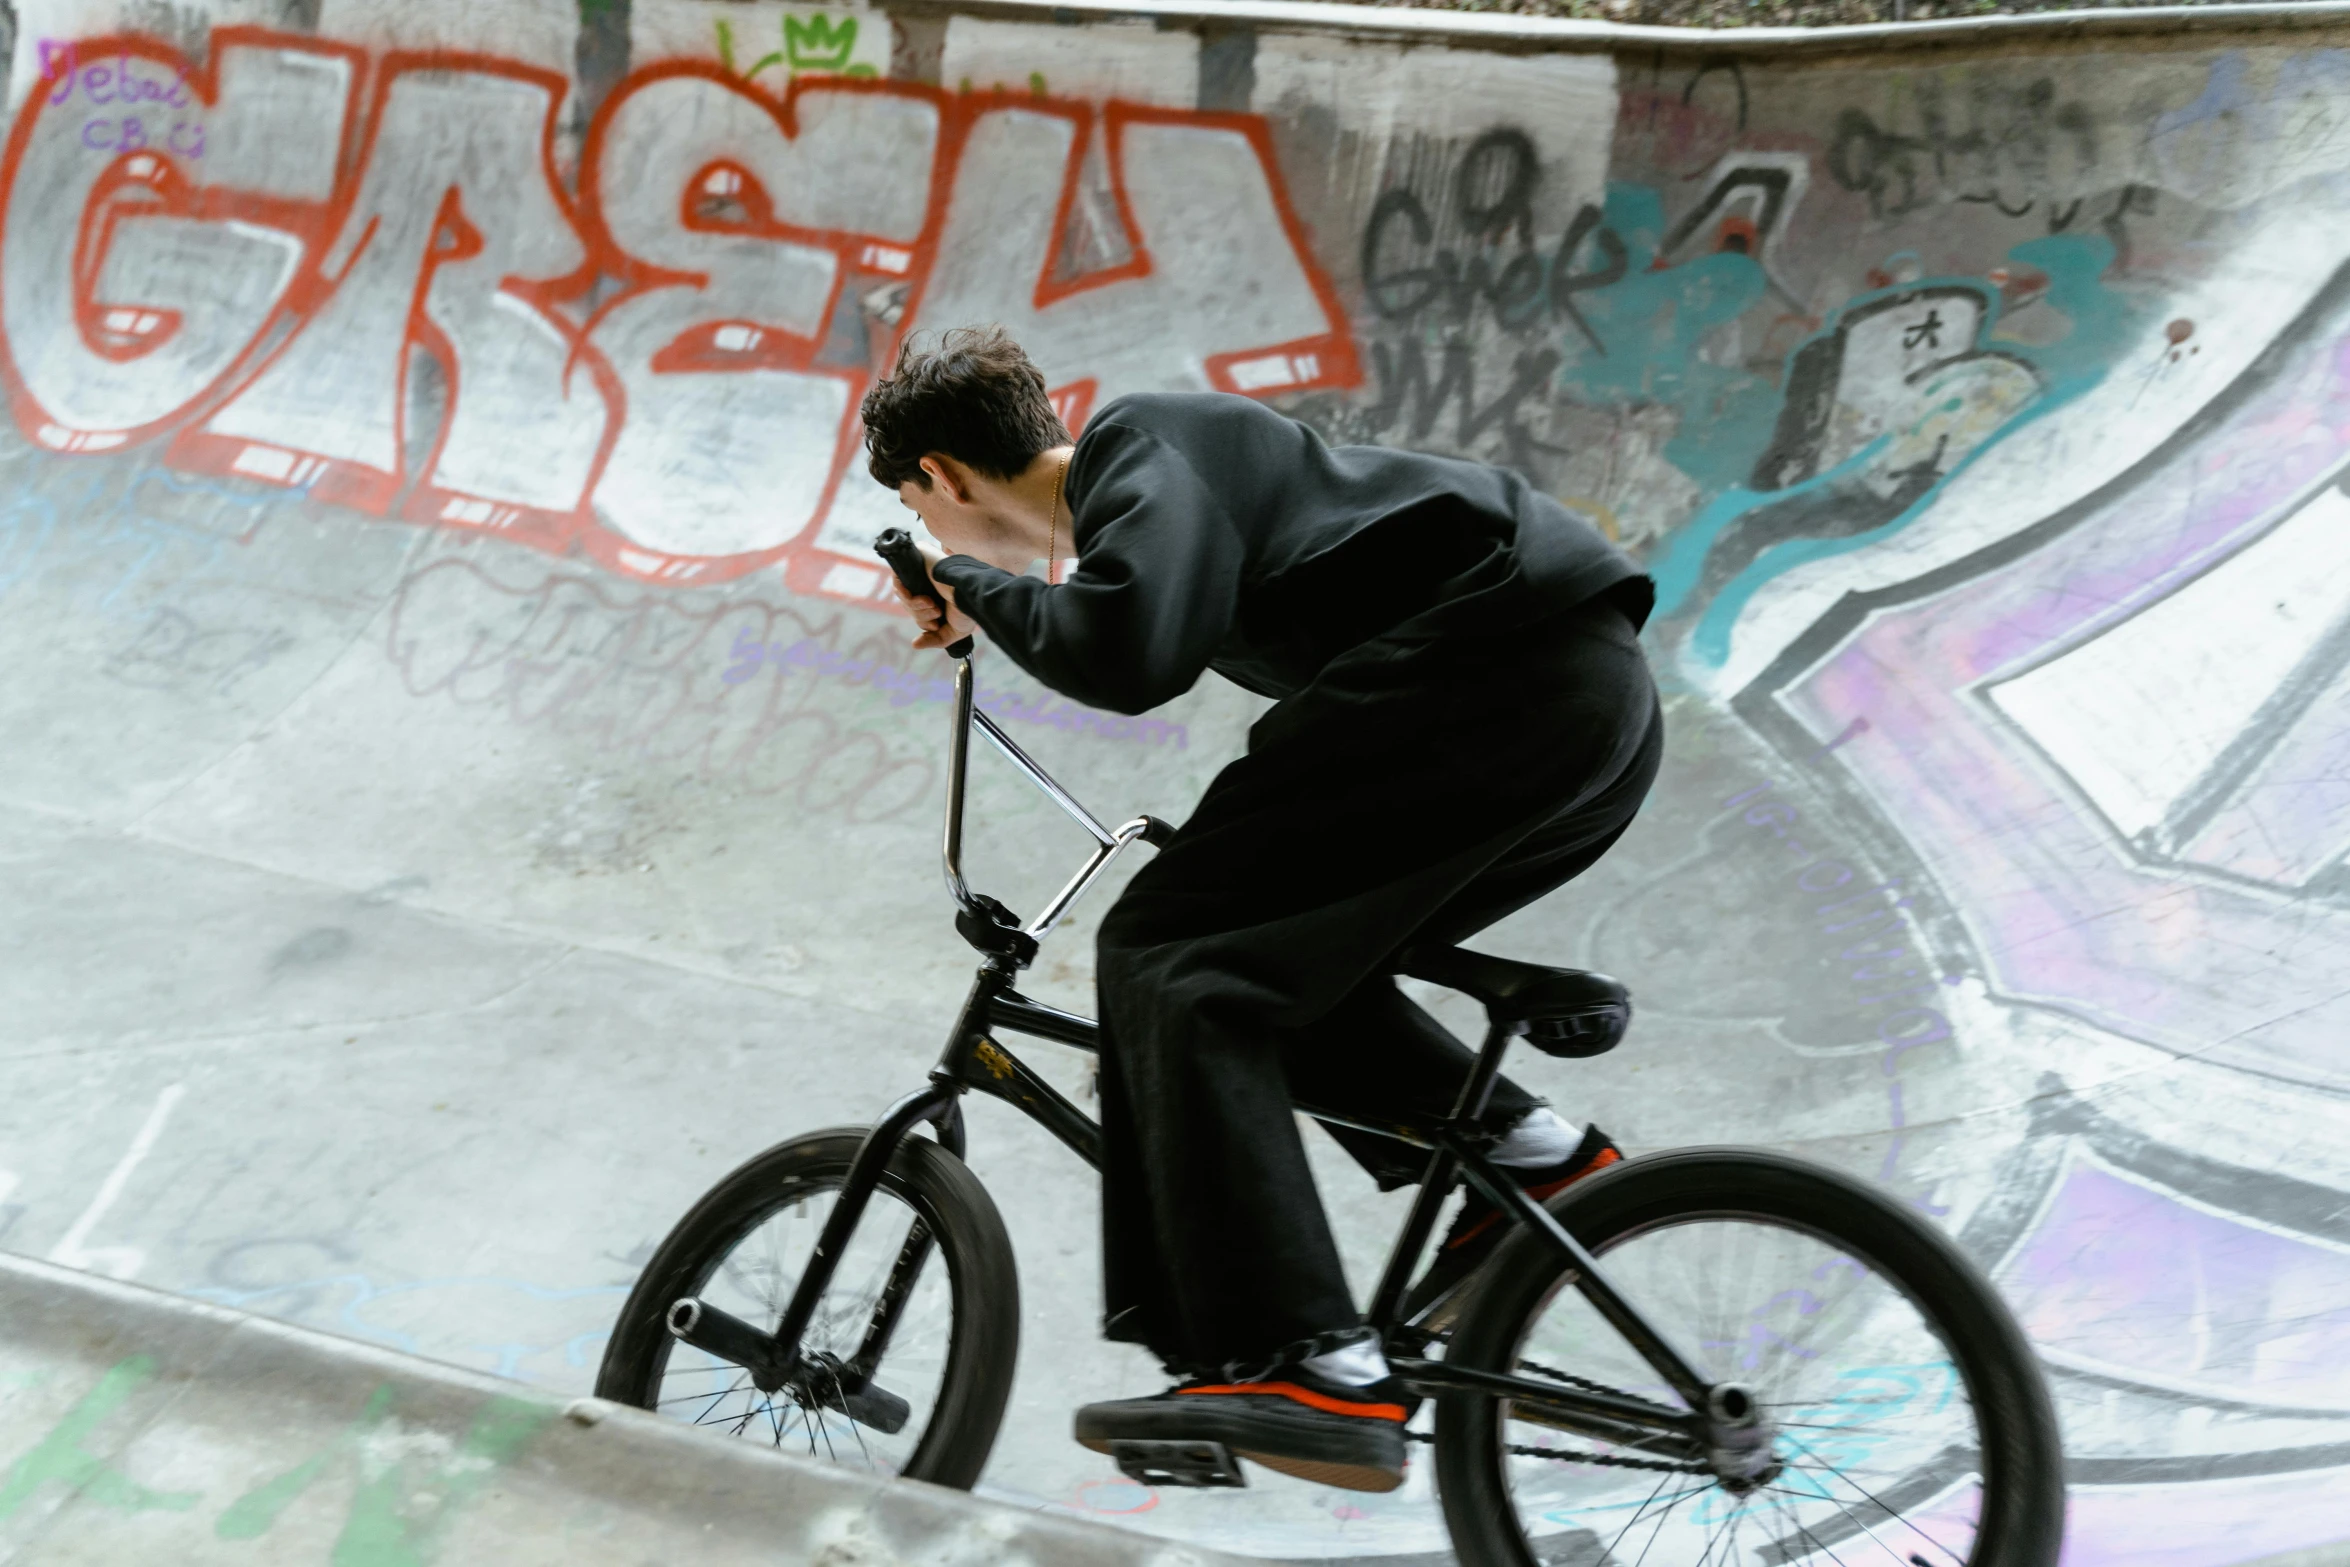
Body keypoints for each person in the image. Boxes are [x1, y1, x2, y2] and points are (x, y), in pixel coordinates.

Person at [858, 325, 1660, 1494]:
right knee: (1275, 961)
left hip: (1498, 673)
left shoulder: (1147, 438)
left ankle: (1308, 1364)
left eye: (930, 517)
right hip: (1566, 706)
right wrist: (981, 594)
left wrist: (964, 583)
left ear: (938, 477)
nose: (943, 540)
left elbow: (1131, 655)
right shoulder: (1166, 503)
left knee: (1168, 948)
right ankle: (1535, 1164)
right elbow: (1127, 622)